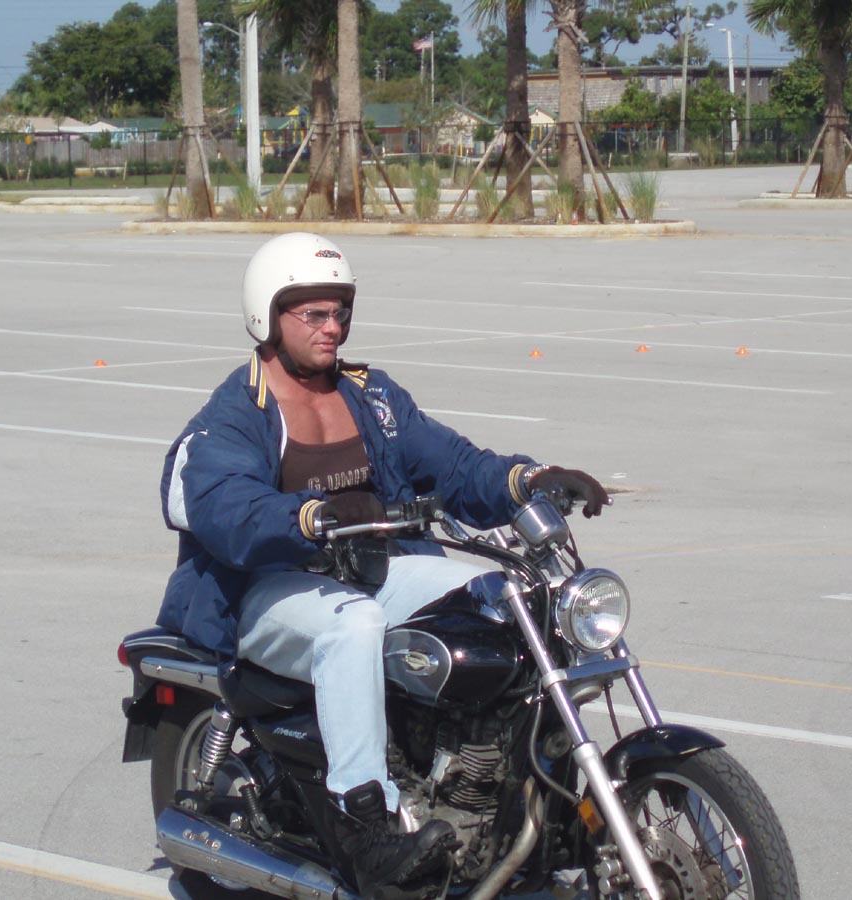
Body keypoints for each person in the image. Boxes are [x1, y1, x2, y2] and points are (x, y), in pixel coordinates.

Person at [158, 232, 608, 898]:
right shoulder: (235, 413)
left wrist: (530, 479)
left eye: (340, 311)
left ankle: (501, 779)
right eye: (314, 313)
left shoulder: (371, 397)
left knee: (503, 593)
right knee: (355, 626)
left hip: (365, 568)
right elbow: (224, 505)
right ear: (267, 315)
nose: (332, 326)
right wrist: (308, 516)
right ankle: (364, 826)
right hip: (262, 587)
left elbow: (454, 464)